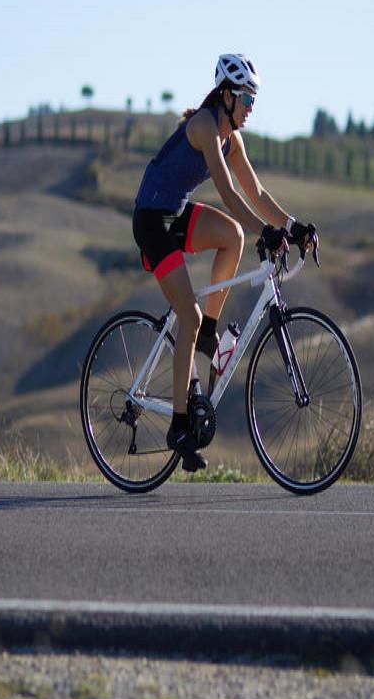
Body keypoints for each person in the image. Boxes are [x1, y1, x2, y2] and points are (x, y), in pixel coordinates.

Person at [132, 53, 316, 472]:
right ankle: (178, 426)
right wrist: (264, 233)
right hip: (151, 220)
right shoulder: (203, 126)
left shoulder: (233, 137)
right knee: (188, 315)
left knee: (232, 236)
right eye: (247, 98)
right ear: (228, 96)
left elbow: (257, 193)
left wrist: (292, 226)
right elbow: (229, 191)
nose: (252, 107)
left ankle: (209, 334)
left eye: (254, 99)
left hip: (174, 212)